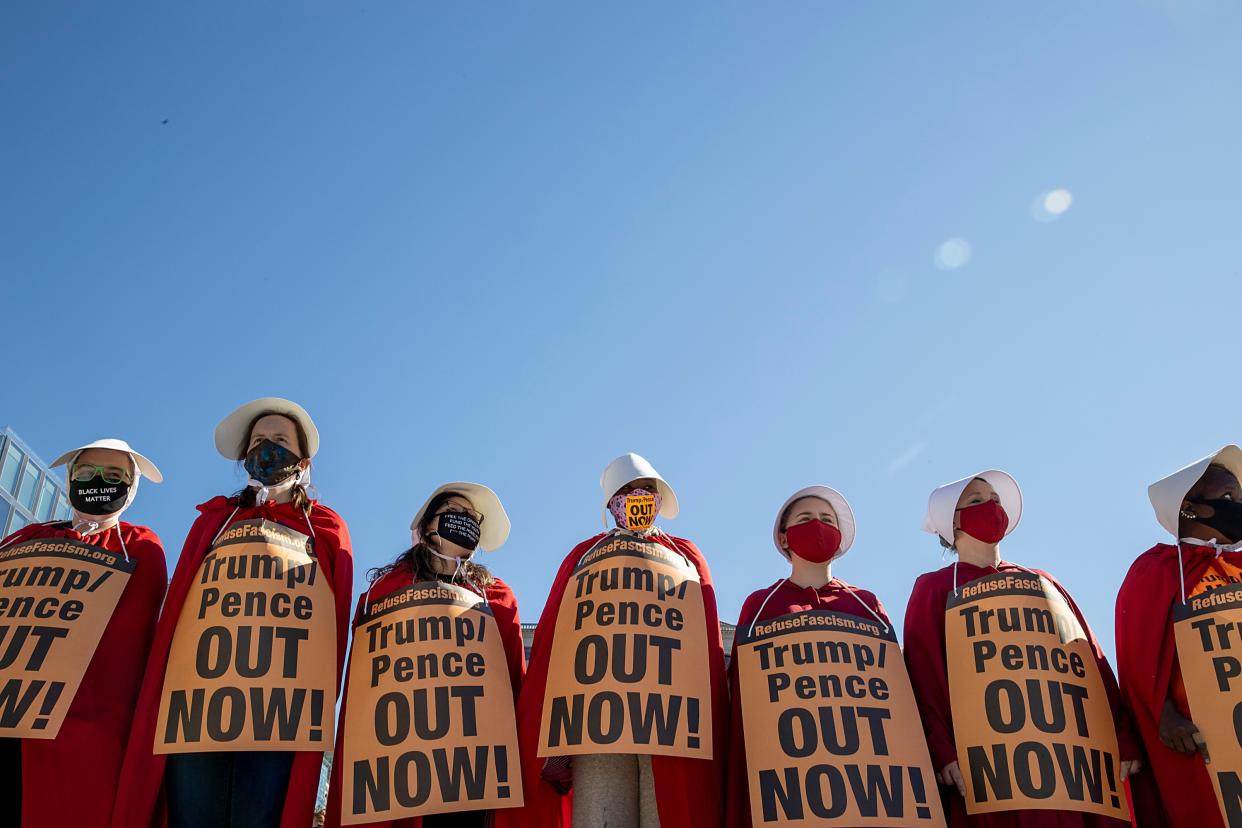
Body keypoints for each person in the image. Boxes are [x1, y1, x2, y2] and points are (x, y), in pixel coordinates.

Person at [113, 398, 353, 828]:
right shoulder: (216, 520)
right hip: (197, 709)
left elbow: (333, 621)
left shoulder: (326, 528)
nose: (267, 447)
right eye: (259, 440)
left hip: (277, 715)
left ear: (303, 460)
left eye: (280, 440)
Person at [497, 453, 727, 828]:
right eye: (626, 490)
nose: (637, 495)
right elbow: (557, 635)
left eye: (646, 488)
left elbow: (707, 639)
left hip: (671, 726)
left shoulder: (685, 555)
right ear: (611, 503)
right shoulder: (584, 555)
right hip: (600, 726)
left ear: (658, 497)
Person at [903, 469, 1140, 827]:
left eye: (994, 499)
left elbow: (1088, 660)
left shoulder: (1042, 582)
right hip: (990, 770)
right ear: (951, 522)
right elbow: (925, 673)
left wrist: (1122, 735)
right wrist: (941, 751)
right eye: (976, 501)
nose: (991, 506)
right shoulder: (935, 589)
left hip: (1068, 764)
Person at [325, 481, 525, 828]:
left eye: (471, 517)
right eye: (454, 513)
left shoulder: (496, 597)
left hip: (472, 767)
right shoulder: (385, 591)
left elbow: (514, 679)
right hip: (405, 762)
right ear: (429, 526)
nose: (464, 520)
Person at [0, 438, 166, 827]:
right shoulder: (24, 539)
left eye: (114, 475)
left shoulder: (140, 546)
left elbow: (127, 643)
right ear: (72, 478)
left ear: (131, 486)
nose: (99, 482)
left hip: (81, 727)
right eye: (88, 473)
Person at [725, 485, 891, 828]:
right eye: (806, 518)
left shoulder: (866, 604)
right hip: (788, 778)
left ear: (839, 535)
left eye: (826, 519)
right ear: (785, 538)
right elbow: (741, 694)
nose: (817, 524)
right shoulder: (761, 605)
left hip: (863, 777)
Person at [1116, 445, 1242, 827]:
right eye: (1226, 497)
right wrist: (1164, 716)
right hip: (1199, 740)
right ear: (1189, 508)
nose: (1237, 504)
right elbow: (1137, 659)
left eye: (1239, 496)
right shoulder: (1156, 571)